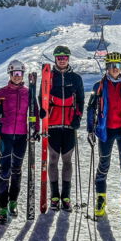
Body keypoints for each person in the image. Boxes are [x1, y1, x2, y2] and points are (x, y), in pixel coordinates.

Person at [86, 51, 121, 218]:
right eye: (111, 66)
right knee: (104, 164)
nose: (114, 69)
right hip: (105, 130)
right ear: (107, 67)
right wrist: (90, 129)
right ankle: (101, 198)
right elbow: (91, 108)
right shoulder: (99, 86)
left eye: (117, 66)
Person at [0, 60, 39, 225]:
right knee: (4, 170)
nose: (17, 77)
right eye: (14, 74)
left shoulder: (28, 92)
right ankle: (2, 206)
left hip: (21, 136)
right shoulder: (1, 93)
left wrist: (35, 128)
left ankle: (13, 202)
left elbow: (35, 112)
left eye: (19, 74)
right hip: (5, 135)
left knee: (17, 169)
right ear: (9, 75)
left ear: (23, 75)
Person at [39, 45, 85, 211]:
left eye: (64, 57)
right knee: (52, 160)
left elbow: (80, 100)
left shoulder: (76, 78)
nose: (62, 60)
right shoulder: (48, 77)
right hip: (52, 124)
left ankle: (66, 196)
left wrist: (78, 118)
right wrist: (43, 111)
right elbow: (41, 98)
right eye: (59, 57)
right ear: (55, 59)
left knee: (67, 161)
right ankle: (54, 196)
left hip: (69, 125)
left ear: (69, 58)